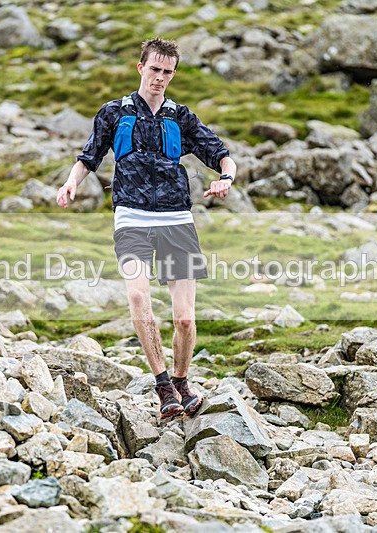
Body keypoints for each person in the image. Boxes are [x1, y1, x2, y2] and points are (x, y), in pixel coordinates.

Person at [56, 37, 237, 418]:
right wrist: (72, 182)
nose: (160, 77)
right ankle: (163, 386)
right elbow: (89, 157)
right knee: (138, 298)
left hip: (177, 219)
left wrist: (226, 179)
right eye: (154, 69)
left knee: (184, 318)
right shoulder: (113, 113)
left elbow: (222, 156)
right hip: (131, 217)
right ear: (141, 68)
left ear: (173, 74)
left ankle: (182, 381)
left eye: (167, 72)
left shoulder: (180, 117)